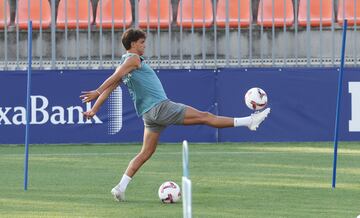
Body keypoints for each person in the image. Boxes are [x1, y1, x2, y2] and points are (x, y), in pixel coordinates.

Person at [80, 28, 270, 202]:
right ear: (132, 44)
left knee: (146, 152)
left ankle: (120, 188)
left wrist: (95, 109)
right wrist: (97, 92)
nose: (144, 46)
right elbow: (112, 81)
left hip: (149, 115)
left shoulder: (125, 63)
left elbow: (112, 85)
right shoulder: (133, 59)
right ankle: (249, 121)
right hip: (160, 107)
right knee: (205, 117)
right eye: (142, 43)